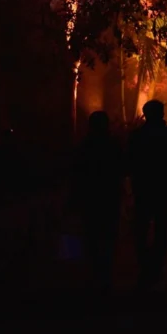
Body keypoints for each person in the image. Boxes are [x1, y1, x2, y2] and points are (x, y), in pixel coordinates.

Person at [127, 100, 167, 288]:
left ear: (145, 114)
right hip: (164, 187)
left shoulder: (137, 136)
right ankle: (157, 266)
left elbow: (128, 162)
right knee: (161, 228)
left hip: (143, 187)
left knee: (142, 227)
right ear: (162, 114)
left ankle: (145, 265)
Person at [70, 111, 124, 293]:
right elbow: (122, 169)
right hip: (109, 197)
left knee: (91, 235)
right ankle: (104, 275)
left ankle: (91, 275)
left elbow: (76, 173)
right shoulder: (113, 145)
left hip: (91, 198)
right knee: (107, 236)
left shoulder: (83, 146)